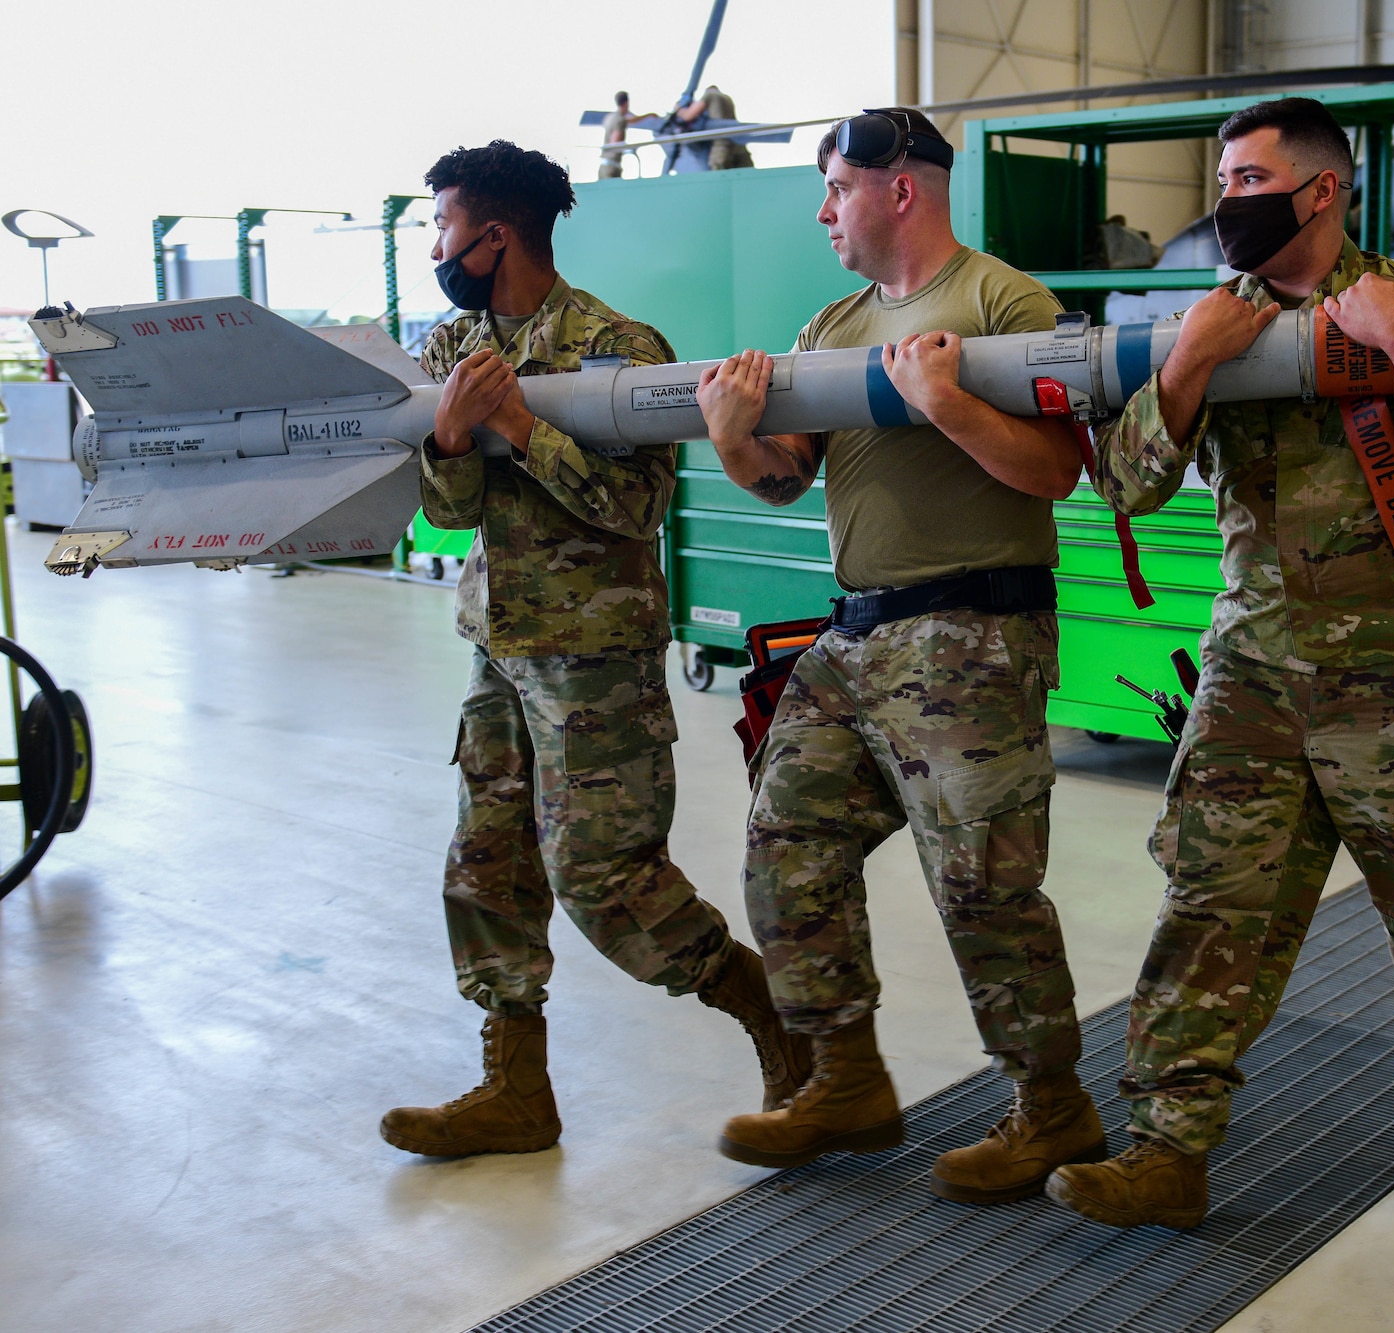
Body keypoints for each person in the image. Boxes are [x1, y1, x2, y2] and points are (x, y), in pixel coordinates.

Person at [1043, 98, 1394, 1230]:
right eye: (1222, 180)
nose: (1227, 203)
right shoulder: (1214, 320)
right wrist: (1184, 371)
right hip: (1254, 668)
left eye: (1250, 180)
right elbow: (1122, 486)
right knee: (1210, 905)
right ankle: (1167, 1147)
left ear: (1320, 191)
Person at [694, 107, 1102, 1205]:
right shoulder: (831, 323)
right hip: (854, 632)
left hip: (970, 632)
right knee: (786, 847)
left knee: (983, 888)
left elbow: (1053, 473)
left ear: (899, 188)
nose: (825, 212)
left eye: (835, 189)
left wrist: (949, 403)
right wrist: (735, 434)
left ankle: (1052, 1105)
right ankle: (843, 1077)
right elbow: (784, 474)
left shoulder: (998, 300)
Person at [378, 140, 808, 1158]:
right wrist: (446, 445)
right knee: (485, 865)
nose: (434, 246)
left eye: (442, 226)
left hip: (594, 661)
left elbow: (638, 504)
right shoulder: (448, 349)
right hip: (498, 648)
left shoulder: (615, 344)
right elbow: (449, 516)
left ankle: (774, 1016)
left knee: (603, 878)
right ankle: (515, 1089)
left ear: (493, 235)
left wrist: (524, 426)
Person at [670, 85, 754, 172]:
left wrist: (679, 110)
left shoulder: (709, 95)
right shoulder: (727, 98)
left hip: (721, 143)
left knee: (719, 174)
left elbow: (688, 116)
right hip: (738, 143)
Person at [598, 91, 654, 181]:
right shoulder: (620, 120)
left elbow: (629, 120)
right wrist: (628, 148)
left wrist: (648, 115)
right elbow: (615, 143)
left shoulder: (610, 117)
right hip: (612, 167)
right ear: (626, 103)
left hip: (604, 165)